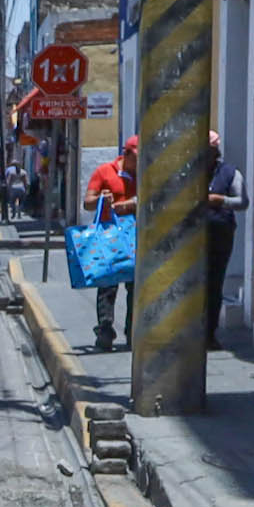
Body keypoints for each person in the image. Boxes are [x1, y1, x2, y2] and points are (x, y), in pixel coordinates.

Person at [85, 134, 139, 351]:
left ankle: (133, 331)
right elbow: (87, 203)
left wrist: (130, 205)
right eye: (136, 158)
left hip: (136, 235)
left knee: (135, 287)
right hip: (110, 236)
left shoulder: (144, 174)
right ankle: (105, 329)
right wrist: (100, 200)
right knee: (107, 284)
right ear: (126, 154)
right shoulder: (104, 172)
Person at [201, 132, 249, 350]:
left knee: (213, 284)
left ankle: (209, 333)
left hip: (220, 235)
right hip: (192, 238)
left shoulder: (230, 173)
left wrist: (221, 200)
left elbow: (242, 202)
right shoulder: (188, 173)